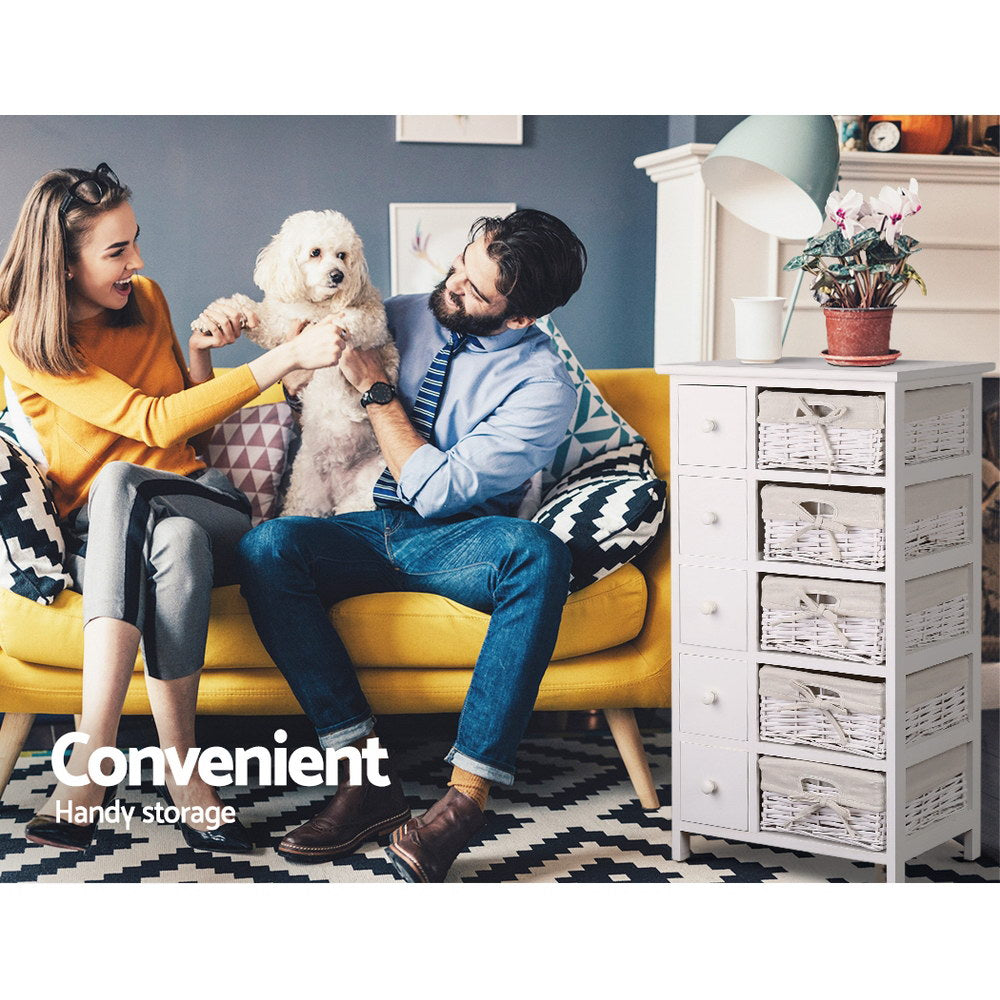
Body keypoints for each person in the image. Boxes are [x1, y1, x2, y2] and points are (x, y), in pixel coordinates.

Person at [0, 163, 344, 853]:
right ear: (63, 265)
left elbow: (181, 430)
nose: (138, 261)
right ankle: (185, 773)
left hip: (206, 499)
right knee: (170, 538)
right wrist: (286, 358)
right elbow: (150, 421)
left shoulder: (147, 298)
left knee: (128, 485)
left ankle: (91, 755)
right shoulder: (23, 341)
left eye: (136, 240)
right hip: (107, 534)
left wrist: (199, 355)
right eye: (117, 250)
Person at [236, 208, 587, 881]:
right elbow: (295, 351)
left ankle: (463, 802)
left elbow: (437, 491)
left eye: (473, 290)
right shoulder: (395, 314)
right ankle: (365, 778)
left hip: (455, 540)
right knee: (267, 547)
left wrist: (376, 389)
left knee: (540, 554)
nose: (451, 285)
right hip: (361, 524)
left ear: (520, 317)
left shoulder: (544, 387)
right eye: (459, 265)